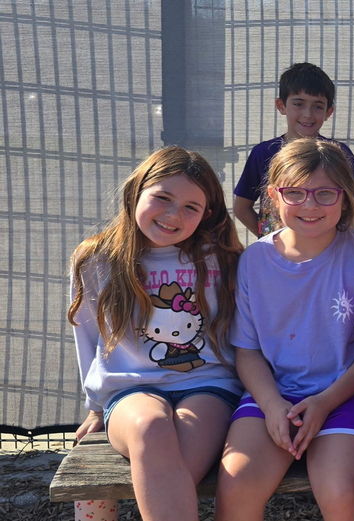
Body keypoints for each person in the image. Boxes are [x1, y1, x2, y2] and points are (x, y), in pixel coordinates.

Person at [69, 146, 243, 521]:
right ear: (136, 191)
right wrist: (95, 406)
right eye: (162, 198)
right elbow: (87, 337)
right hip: (131, 389)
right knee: (151, 427)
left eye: (190, 207)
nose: (172, 214)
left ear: (206, 214)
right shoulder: (97, 259)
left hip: (208, 386)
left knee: (173, 464)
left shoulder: (223, 257)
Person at [216, 138, 354, 521]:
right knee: (237, 484)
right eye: (295, 193)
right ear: (273, 195)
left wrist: (324, 403)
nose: (310, 205)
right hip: (272, 395)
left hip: (342, 397)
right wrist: (273, 406)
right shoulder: (254, 260)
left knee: (340, 493)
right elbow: (248, 350)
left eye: (325, 193)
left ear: (345, 197)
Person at [232, 62, 354, 236]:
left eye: (317, 106)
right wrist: (267, 240)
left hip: (327, 257)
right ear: (281, 106)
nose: (308, 114)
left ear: (329, 112)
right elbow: (241, 207)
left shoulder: (338, 154)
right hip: (280, 257)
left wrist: (343, 242)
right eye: (299, 104)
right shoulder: (263, 153)